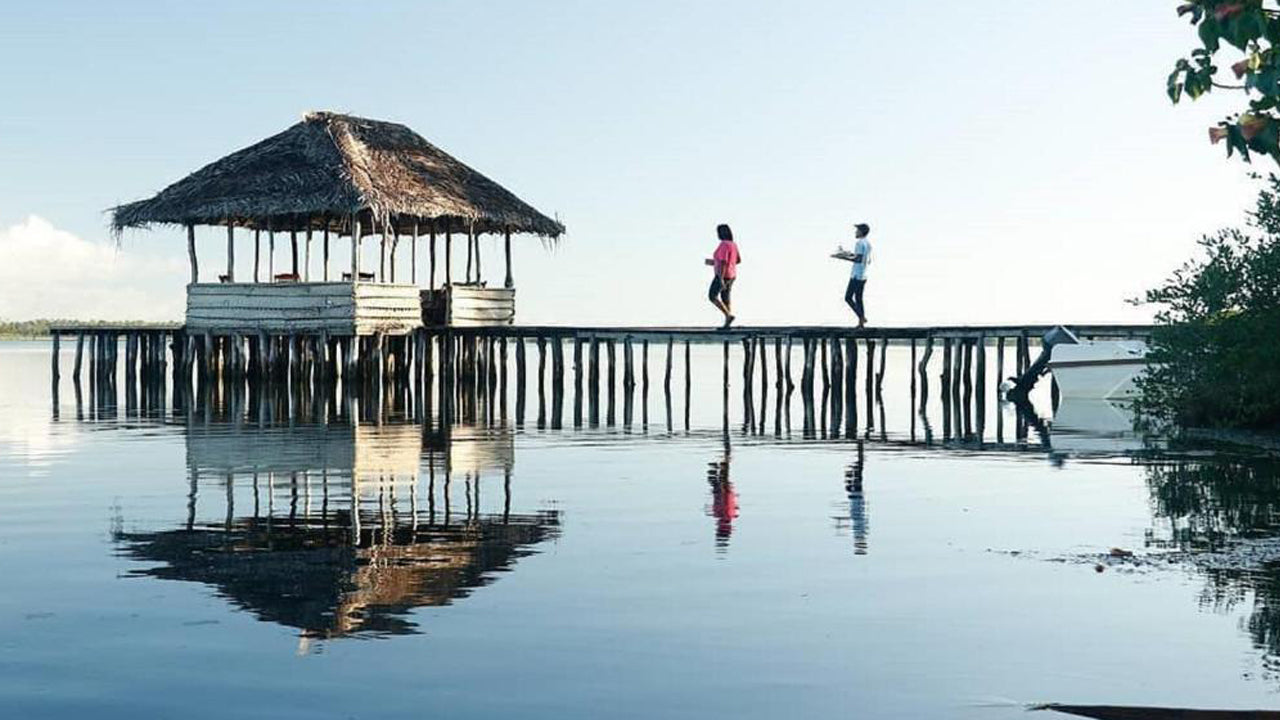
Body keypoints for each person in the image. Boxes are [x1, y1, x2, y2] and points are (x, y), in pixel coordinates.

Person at [705, 223, 740, 328]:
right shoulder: (733, 245)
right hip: (732, 275)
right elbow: (737, 260)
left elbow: (724, 262)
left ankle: (728, 316)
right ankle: (727, 323)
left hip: (722, 274)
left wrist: (720, 277)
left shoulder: (724, 244)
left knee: (712, 296)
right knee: (725, 298)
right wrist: (715, 262)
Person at [837, 223, 873, 327]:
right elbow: (865, 259)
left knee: (848, 297)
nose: (855, 232)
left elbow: (858, 259)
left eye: (857, 230)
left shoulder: (859, 243)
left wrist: (842, 257)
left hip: (856, 275)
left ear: (861, 232)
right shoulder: (868, 244)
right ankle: (861, 323)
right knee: (858, 298)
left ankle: (862, 317)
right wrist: (846, 254)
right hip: (864, 274)